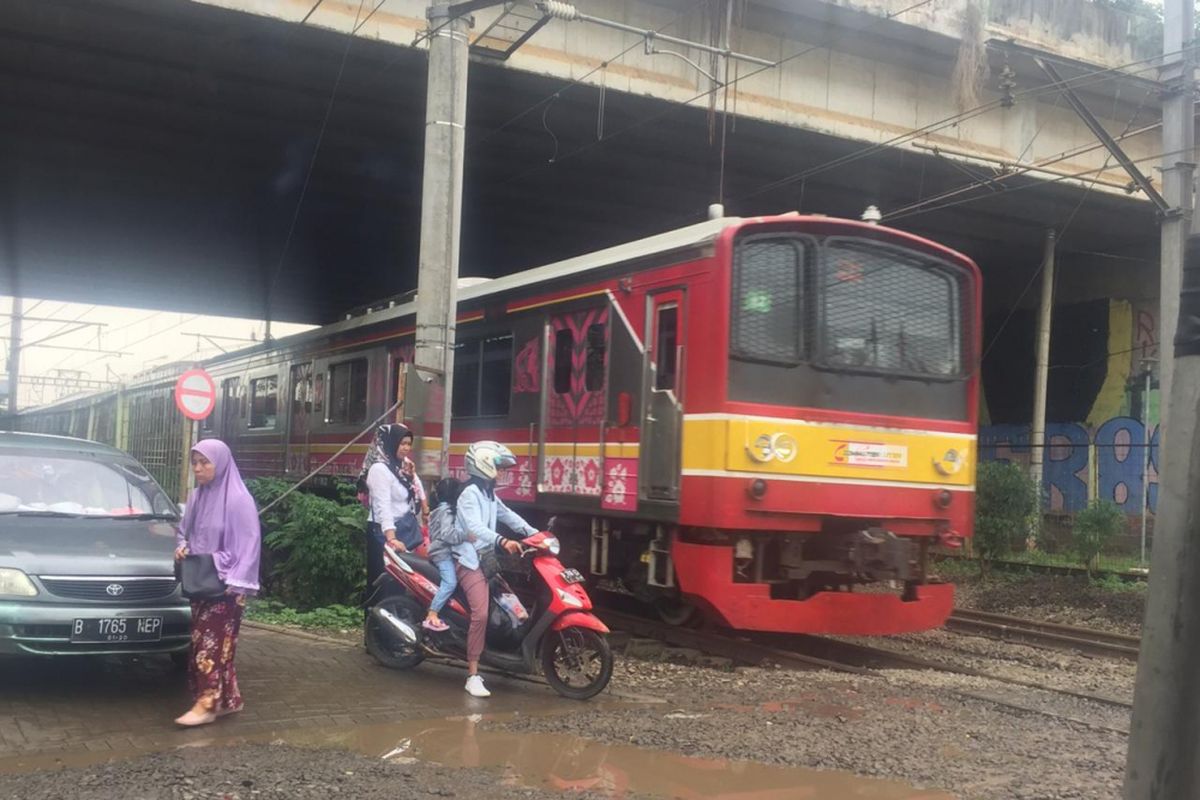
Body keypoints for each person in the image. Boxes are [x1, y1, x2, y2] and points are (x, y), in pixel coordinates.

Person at [173, 439, 261, 727]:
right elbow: (183, 533)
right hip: (201, 582)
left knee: (209, 647)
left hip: (226, 586)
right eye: (195, 462)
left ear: (220, 463)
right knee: (215, 645)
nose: (198, 468)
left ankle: (207, 703)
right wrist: (183, 547)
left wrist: (234, 581)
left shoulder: (238, 500)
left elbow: (249, 545)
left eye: (204, 462)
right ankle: (229, 700)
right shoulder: (198, 497)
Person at [454, 441, 538, 698]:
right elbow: (476, 528)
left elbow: (509, 515)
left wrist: (536, 534)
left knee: (509, 606)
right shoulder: (470, 494)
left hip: (486, 560)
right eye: (499, 467)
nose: (502, 472)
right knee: (480, 614)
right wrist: (503, 540)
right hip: (468, 561)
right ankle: (473, 674)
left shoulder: (489, 494)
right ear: (485, 465)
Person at [362, 424, 422, 621]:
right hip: (382, 533)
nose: (406, 448)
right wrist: (391, 538)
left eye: (408, 444)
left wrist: (412, 476)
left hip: (401, 533)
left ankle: (392, 634)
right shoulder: (379, 469)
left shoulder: (401, 467)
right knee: (381, 584)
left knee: (398, 585)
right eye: (402, 443)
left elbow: (418, 495)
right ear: (391, 443)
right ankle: (376, 633)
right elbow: (382, 506)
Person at [423, 477, 466, 632]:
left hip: (440, 551)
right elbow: (448, 534)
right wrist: (465, 536)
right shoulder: (447, 510)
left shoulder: (440, 508)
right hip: (442, 554)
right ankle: (432, 613)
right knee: (450, 583)